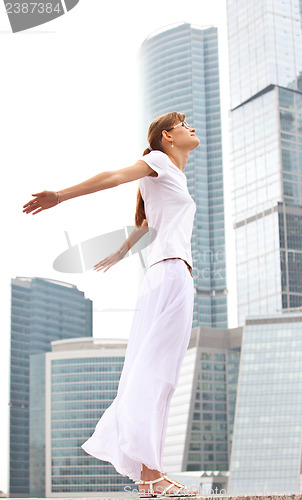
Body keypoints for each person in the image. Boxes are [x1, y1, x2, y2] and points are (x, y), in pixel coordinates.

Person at [23, 111, 200, 497]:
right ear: (167, 136)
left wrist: (121, 252)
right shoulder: (157, 161)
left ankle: (150, 476)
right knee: (157, 375)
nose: (192, 128)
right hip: (171, 275)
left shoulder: (171, 175)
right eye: (184, 124)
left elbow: (149, 223)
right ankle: (152, 474)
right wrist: (61, 195)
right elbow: (113, 177)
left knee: (156, 375)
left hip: (165, 275)